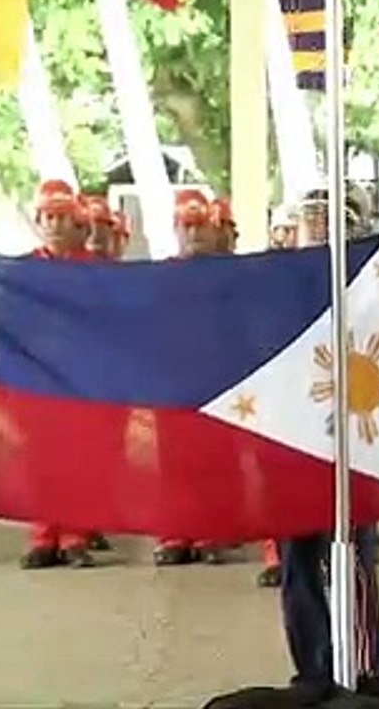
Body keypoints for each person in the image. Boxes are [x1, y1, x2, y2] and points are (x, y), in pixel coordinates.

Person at [275, 184, 379, 703]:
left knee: (355, 564)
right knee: (296, 567)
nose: (323, 229)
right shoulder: (273, 288)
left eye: (335, 222)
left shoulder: (370, 290)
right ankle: (313, 670)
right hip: (288, 443)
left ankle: (368, 670)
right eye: (314, 220)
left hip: (350, 444)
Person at [21, 179, 98, 569]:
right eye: (46, 217)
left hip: (85, 383)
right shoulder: (22, 271)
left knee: (81, 461)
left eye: (61, 217)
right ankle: (42, 537)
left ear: (78, 223)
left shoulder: (101, 273)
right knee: (39, 462)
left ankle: (76, 537)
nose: (52, 224)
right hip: (37, 383)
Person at [154, 190, 230, 566]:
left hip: (217, 383)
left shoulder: (232, 278)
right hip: (170, 385)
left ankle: (211, 533)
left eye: (201, 226)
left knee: (214, 462)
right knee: (171, 465)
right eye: (187, 226)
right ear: (175, 229)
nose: (194, 234)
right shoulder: (158, 277)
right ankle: (174, 536)